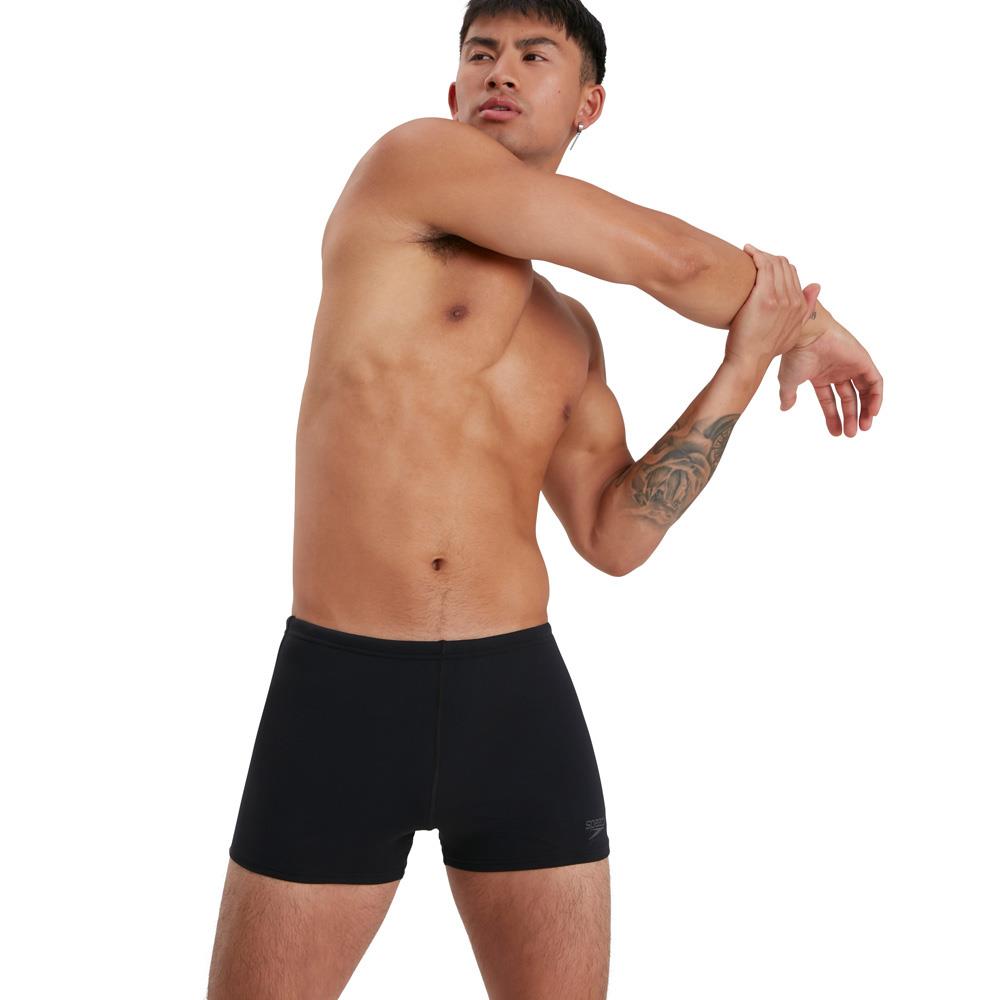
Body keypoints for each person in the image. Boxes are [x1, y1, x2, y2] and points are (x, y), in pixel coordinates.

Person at [206, 1, 884, 996]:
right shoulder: (407, 165)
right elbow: (675, 262)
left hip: (514, 699)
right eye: (480, 54)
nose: (500, 72)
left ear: (588, 105)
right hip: (345, 694)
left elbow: (614, 536)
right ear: (452, 92)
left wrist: (743, 367)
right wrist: (811, 324)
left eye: (534, 55)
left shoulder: (568, 335)